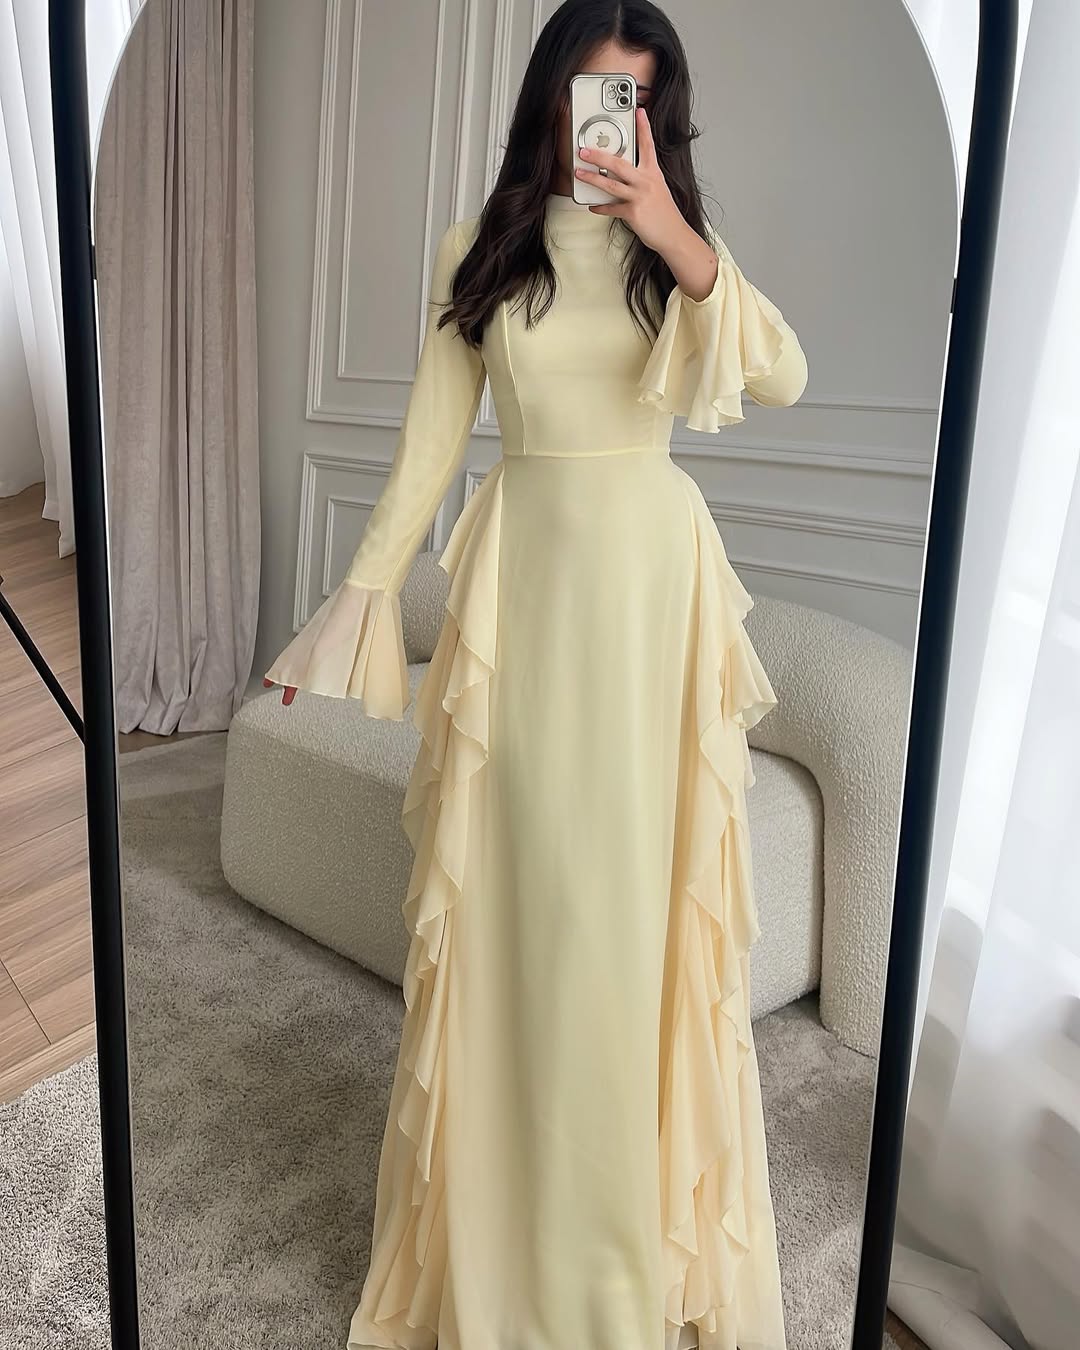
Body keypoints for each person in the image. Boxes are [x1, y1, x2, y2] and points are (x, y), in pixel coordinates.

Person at [264, 2, 807, 1346]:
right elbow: (429, 442)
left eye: (635, 101)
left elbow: (783, 374)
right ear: (548, 97)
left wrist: (670, 230)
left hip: (652, 599)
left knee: (628, 915)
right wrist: (351, 609)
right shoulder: (482, 249)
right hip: (529, 595)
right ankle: (514, 1251)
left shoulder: (676, 255)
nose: (607, 125)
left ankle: (624, 1267)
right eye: (589, 94)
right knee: (525, 907)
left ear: (659, 116)